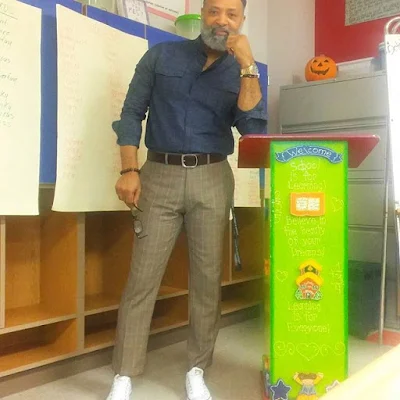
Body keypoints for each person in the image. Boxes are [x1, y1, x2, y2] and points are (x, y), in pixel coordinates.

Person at [107, 0, 267, 398]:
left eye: (231, 14)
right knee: (142, 278)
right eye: (214, 11)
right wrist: (129, 169)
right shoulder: (161, 56)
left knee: (207, 280)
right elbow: (131, 113)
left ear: (241, 20)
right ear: (203, 14)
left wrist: (248, 66)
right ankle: (124, 374)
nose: (222, 21)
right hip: (158, 175)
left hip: (212, 177)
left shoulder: (242, 69)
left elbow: (252, 127)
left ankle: (197, 370)